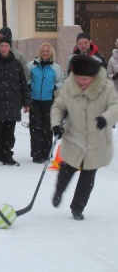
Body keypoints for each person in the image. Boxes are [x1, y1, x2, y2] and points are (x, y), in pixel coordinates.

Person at [51, 54, 118, 220]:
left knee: (88, 176)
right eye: (79, 78)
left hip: (97, 140)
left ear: (94, 77)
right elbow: (59, 106)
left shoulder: (106, 87)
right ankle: (59, 189)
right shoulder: (69, 84)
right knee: (67, 169)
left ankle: (77, 208)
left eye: (85, 79)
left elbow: (115, 105)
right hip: (74, 136)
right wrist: (56, 124)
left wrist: (106, 118)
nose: (81, 82)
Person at [0, 26, 30, 161]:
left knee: (9, 132)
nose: (4, 48)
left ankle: (7, 153)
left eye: (6, 46)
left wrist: (26, 102)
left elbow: (23, 84)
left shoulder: (17, 65)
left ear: (10, 47)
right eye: (2, 45)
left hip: (12, 102)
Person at [27, 42, 65, 163]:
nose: (45, 53)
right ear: (40, 52)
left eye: (47, 51)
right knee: (35, 127)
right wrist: (29, 85)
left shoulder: (55, 67)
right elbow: (25, 78)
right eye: (43, 51)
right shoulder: (31, 66)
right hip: (34, 100)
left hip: (49, 100)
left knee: (47, 127)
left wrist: (54, 87)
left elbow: (62, 81)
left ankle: (46, 153)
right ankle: (36, 154)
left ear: (50, 53)